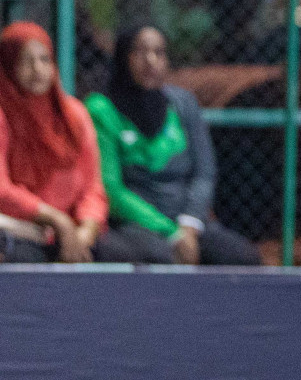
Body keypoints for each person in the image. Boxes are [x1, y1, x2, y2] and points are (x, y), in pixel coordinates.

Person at [84, 24, 262, 266]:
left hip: (188, 223)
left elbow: (204, 172)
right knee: (160, 257)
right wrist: (170, 232)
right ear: (123, 56)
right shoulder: (101, 109)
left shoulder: (183, 103)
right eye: (140, 52)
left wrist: (189, 223)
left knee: (241, 256)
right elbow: (111, 189)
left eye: (159, 53)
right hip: (136, 225)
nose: (151, 61)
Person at [0, 21, 138, 264]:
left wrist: (86, 231)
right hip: (22, 229)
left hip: (72, 230)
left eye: (45, 60)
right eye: (25, 61)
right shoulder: (3, 114)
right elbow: (2, 190)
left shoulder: (74, 114)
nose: (37, 69)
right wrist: (55, 219)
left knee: (133, 254)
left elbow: (93, 188)